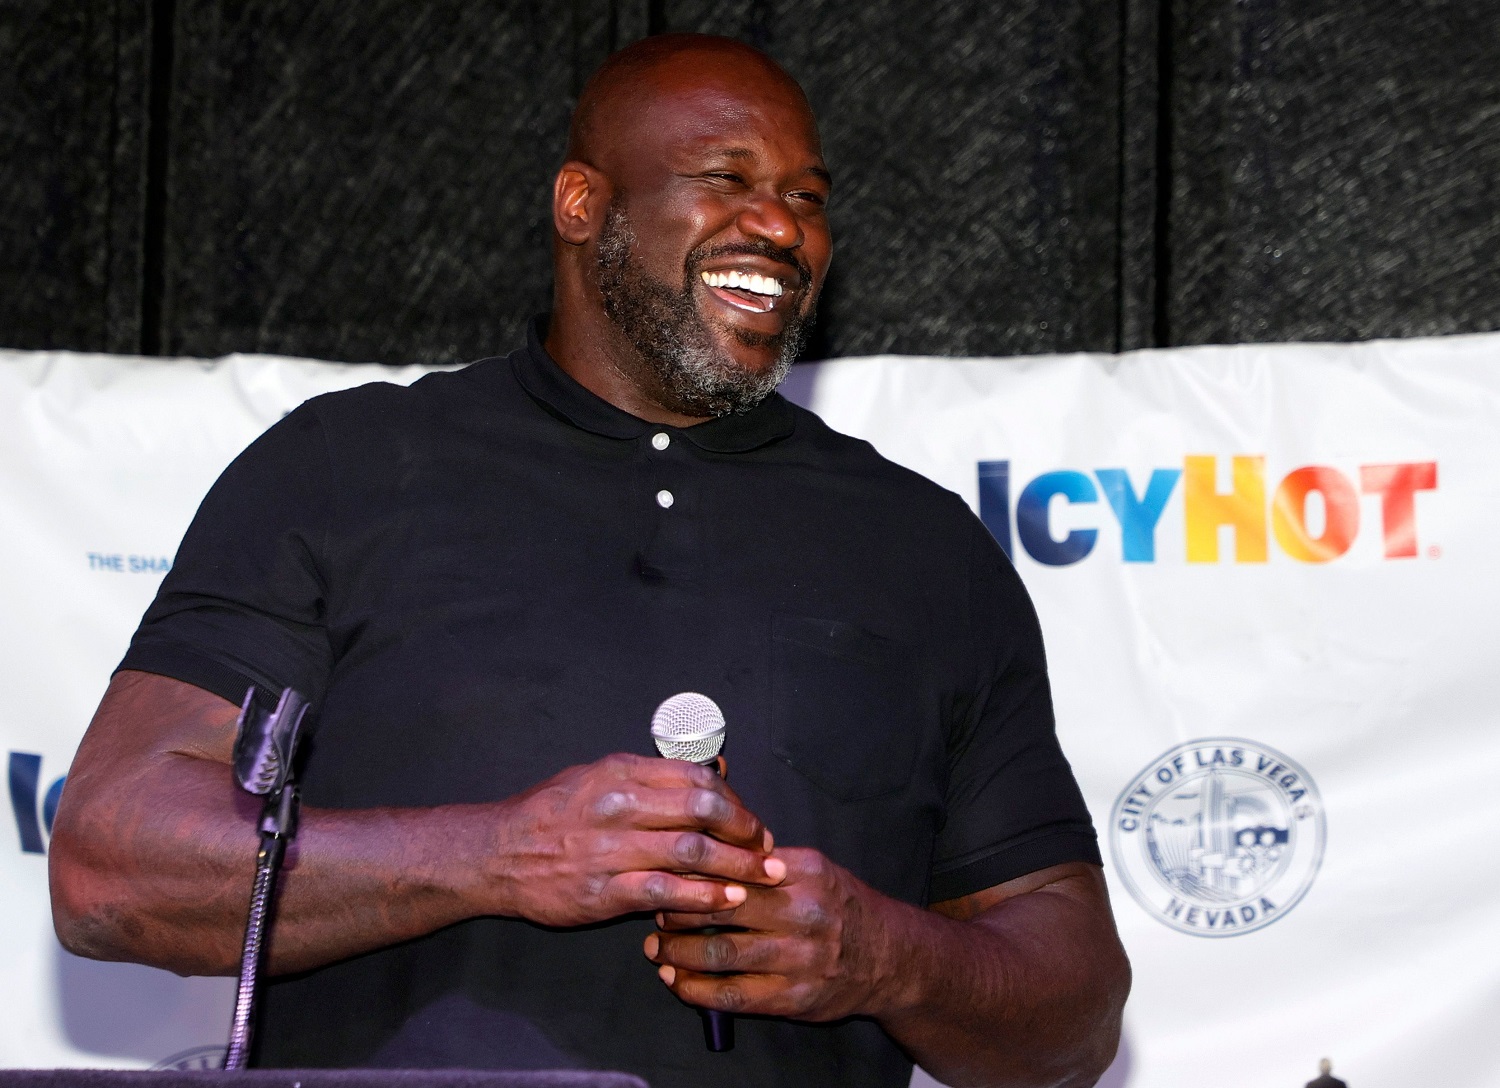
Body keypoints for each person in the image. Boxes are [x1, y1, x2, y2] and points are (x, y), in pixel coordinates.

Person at [49, 33, 1130, 1088]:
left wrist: (882, 952)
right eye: (727, 178)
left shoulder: (924, 547)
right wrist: (497, 854)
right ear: (583, 204)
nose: (781, 227)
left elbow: (1073, 1021)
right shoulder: (348, 468)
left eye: (808, 197)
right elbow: (110, 865)